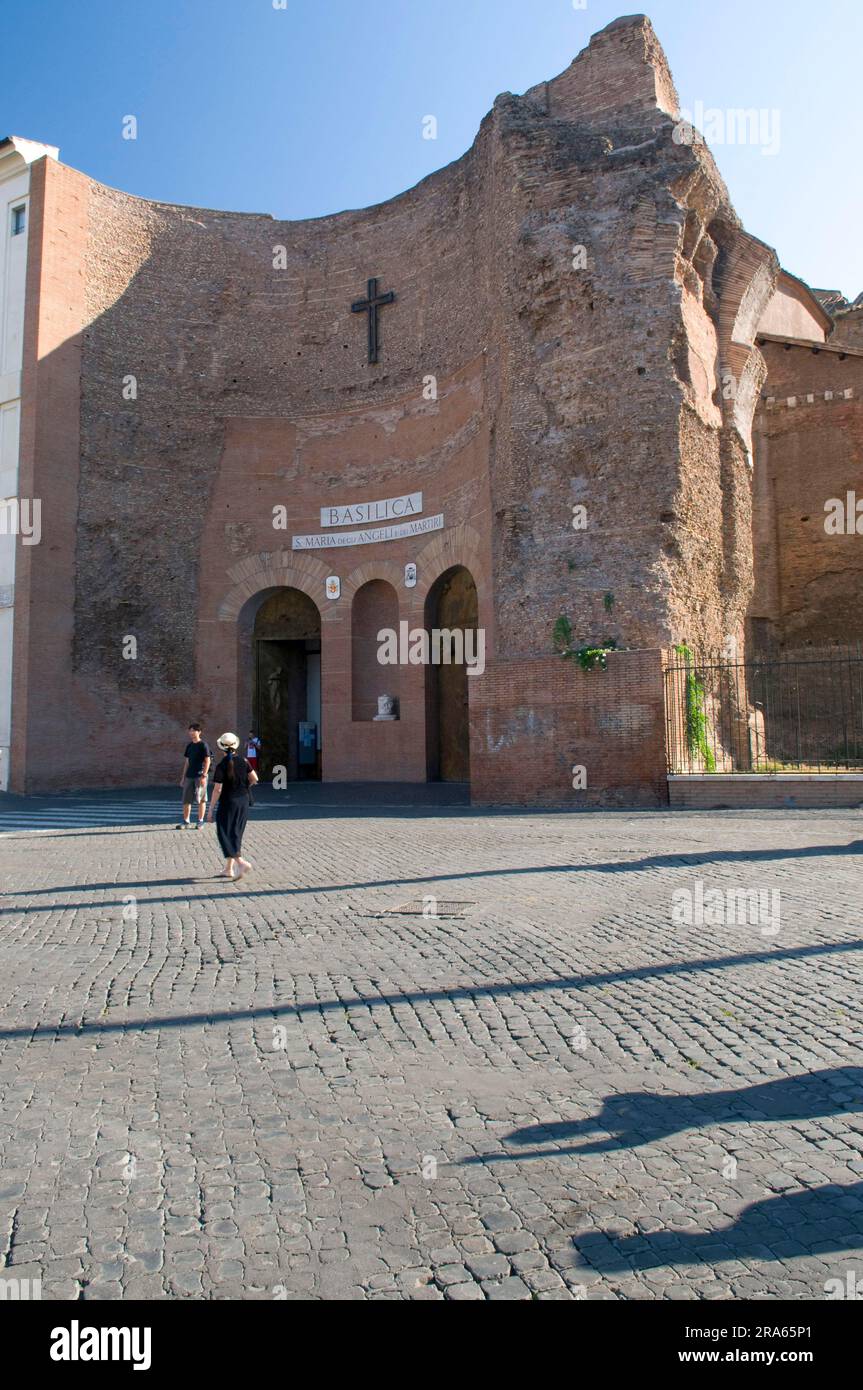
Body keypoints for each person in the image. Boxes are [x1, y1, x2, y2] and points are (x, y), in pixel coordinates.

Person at [208, 732, 258, 879]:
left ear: (221, 748)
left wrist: (210, 809)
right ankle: (228, 869)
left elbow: (217, 789)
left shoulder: (221, 765)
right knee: (235, 833)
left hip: (228, 802)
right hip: (243, 801)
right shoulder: (244, 761)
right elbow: (255, 779)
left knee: (224, 833)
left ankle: (240, 862)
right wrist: (243, 786)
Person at [178, 723, 211, 829]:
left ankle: (200, 821)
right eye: (190, 730)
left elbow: (208, 761)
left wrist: (204, 775)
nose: (191, 732)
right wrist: (183, 777)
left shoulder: (203, 745)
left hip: (200, 775)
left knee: (201, 799)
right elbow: (187, 762)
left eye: (193, 730)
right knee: (186, 799)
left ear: (199, 732)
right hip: (189, 776)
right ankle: (186, 821)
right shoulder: (189, 746)